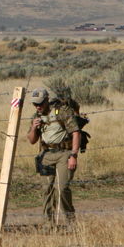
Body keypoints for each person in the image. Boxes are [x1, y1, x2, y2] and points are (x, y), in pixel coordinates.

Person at [27, 87, 81, 228]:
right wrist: (33, 127)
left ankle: (71, 222)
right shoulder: (36, 117)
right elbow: (32, 140)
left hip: (64, 153)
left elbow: (76, 132)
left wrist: (73, 155)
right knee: (47, 190)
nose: (38, 106)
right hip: (46, 155)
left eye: (40, 103)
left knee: (62, 188)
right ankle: (48, 224)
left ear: (47, 100)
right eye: (35, 104)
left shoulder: (61, 111)